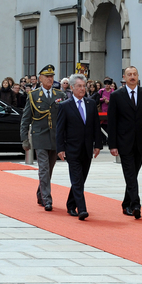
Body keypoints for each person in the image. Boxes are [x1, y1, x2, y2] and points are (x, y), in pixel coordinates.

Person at [107, 66, 142, 220]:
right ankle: (135, 205)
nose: (132, 77)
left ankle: (125, 203)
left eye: (134, 74)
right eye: (129, 75)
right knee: (130, 173)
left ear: (138, 76)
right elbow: (112, 122)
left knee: (133, 174)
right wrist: (112, 145)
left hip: (141, 142)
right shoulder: (117, 96)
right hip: (124, 142)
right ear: (124, 77)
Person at [56, 74, 102, 220]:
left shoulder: (91, 104)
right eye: (79, 86)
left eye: (84, 86)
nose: (82, 89)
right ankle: (81, 209)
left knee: (80, 179)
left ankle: (70, 204)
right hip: (72, 149)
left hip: (87, 149)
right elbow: (60, 130)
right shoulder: (64, 106)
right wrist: (60, 148)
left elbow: (96, 126)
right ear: (72, 88)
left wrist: (98, 145)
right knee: (76, 179)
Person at [19, 65, 66, 211]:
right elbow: (26, 119)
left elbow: (65, 119)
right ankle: (47, 199)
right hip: (40, 136)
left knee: (49, 169)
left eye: (52, 76)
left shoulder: (60, 95)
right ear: (40, 79)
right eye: (47, 76)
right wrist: (24, 139)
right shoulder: (33, 96)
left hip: (55, 137)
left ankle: (40, 193)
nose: (50, 79)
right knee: (44, 168)